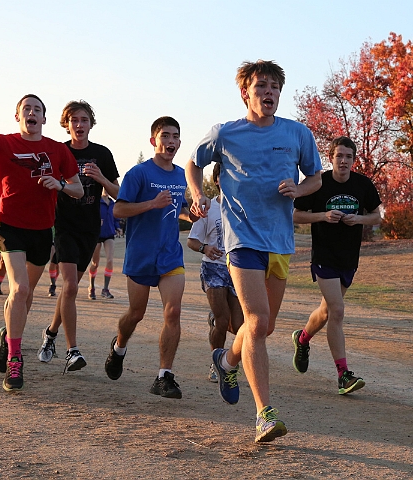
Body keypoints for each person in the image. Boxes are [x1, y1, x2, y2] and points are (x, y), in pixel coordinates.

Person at [187, 60, 322, 443]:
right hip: (241, 239)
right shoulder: (226, 134)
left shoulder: (297, 134)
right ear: (245, 92)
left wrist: (300, 189)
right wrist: (198, 195)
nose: (268, 92)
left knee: (264, 326)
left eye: (275, 87)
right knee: (258, 321)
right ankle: (264, 413)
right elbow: (193, 164)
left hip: (279, 242)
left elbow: (314, 178)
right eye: (261, 85)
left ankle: (227, 360)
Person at [0, 96, 83, 392]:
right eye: (27, 109)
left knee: (26, 295)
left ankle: (7, 335)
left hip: (41, 228)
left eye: (38, 110)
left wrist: (60, 184)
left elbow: (77, 188)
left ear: (44, 119)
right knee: (19, 288)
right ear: (18, 117)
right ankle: (15, 358)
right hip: (8, 223)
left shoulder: (58, 150)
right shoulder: (3, 143)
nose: (32, 113)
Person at [104, 116, 195, 399]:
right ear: (153, 140)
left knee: (173, 311)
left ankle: (164, 376)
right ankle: (119, 347)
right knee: (136, 314)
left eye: (175, 136)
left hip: (170, 256)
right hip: (141, 255)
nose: (171, 141)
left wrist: (192, 214)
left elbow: (178, 209)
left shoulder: (182, 175)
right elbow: (119, 211)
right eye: (165, 135)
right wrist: (152, 204)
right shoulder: (138, 174)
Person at [291, 136, 382, 395]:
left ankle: (302, 338)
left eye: (348, 157)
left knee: (327, 312)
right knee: (338, 311)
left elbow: (377, 216)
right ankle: (343, 375)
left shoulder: (363, 184)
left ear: (354, 160)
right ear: (330, 158)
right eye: (339, 156)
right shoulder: (318, 183)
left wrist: (359, 219)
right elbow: (295, 214)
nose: (343, 161)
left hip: (348, 259)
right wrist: (323, 216)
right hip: (324, 256)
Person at [36, 100, 120, 373]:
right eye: (74, 120)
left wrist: (101, 179)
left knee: (69, 291)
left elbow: (118, 194)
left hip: (90, 230)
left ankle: (49, 334)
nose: (79, 125)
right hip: (64, 226)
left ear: (91, 124)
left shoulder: (102, 154)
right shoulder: (57, 152)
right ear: (66, 124)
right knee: (70, 287)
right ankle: (72, 350)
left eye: (84, 120)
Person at [186, 163, 244, 383]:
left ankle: (229, 357)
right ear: (217, 180)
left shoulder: (242, 208)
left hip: (237, 269)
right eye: (224, 176)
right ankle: (217, 363)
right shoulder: (209, 208)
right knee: (222, 320)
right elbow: (192, 241)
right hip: (213, 268)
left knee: (239, 326)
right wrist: (205, 248)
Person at [88, 188, 122, 300]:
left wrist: (118, 227)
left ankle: (105, 289)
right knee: (95, 263)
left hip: (109, 234)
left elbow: (115, 217)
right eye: (103, 188)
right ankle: (91, 287)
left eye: (108, 188)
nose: (106, 190)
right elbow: (89, 215)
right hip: (97, 234)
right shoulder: (96, 202)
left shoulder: (113, 203)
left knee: (110, 260)